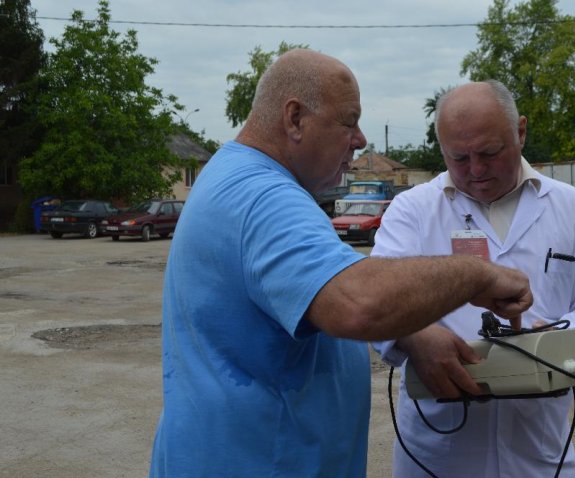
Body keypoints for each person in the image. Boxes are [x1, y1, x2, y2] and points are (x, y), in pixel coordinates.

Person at [148, 51, 533, 478]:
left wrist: (412, 332)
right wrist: (478, 274)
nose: (361, 139)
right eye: (348, 122)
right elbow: (357, 303)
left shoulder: (238, 178)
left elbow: (324, 291)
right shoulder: (263, 198)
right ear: (294, 118)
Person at [372, 80, 575, 477]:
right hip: (436, 455)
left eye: (490, 153)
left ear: (521, 131)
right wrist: (416, 336)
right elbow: (378, 298)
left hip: (540, 452)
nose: (476, 171)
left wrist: (558, 339)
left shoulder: (573, 209)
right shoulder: (412, 210)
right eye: (458, 157)